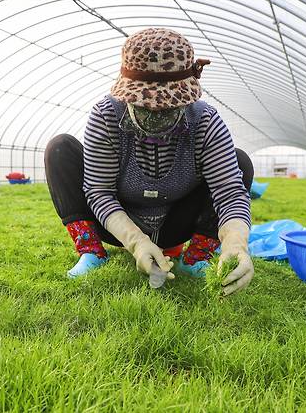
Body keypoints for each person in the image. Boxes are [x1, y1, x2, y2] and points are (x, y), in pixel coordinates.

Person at [44, 28, 255, 296]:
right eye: (145, 105)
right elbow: (99, 191)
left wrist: (236, 245)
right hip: (119, 222)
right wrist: (137, 243)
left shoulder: (205, 121)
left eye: (167, 107)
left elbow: (230, 194)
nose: (155, 115)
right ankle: (91, 251)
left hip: (176, 223)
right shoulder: (106, 115)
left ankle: (196, 258)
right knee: (60, 149)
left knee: (239, 161)